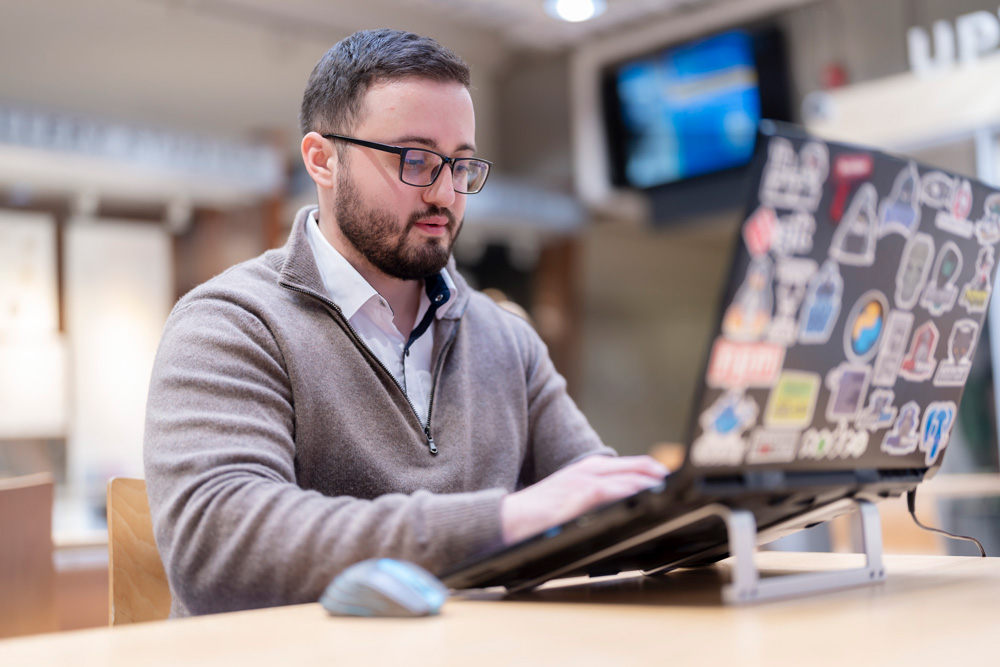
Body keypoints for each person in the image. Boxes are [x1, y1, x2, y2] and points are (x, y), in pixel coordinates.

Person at [144, 28, 667, 618]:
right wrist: (503, 518)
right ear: (323, 160)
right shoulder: (231, 324)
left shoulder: (505, 338)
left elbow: (586, 486)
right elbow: (221, 545)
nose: (445, 193)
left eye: (462, 164)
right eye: (415, 160)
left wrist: (669, 504)